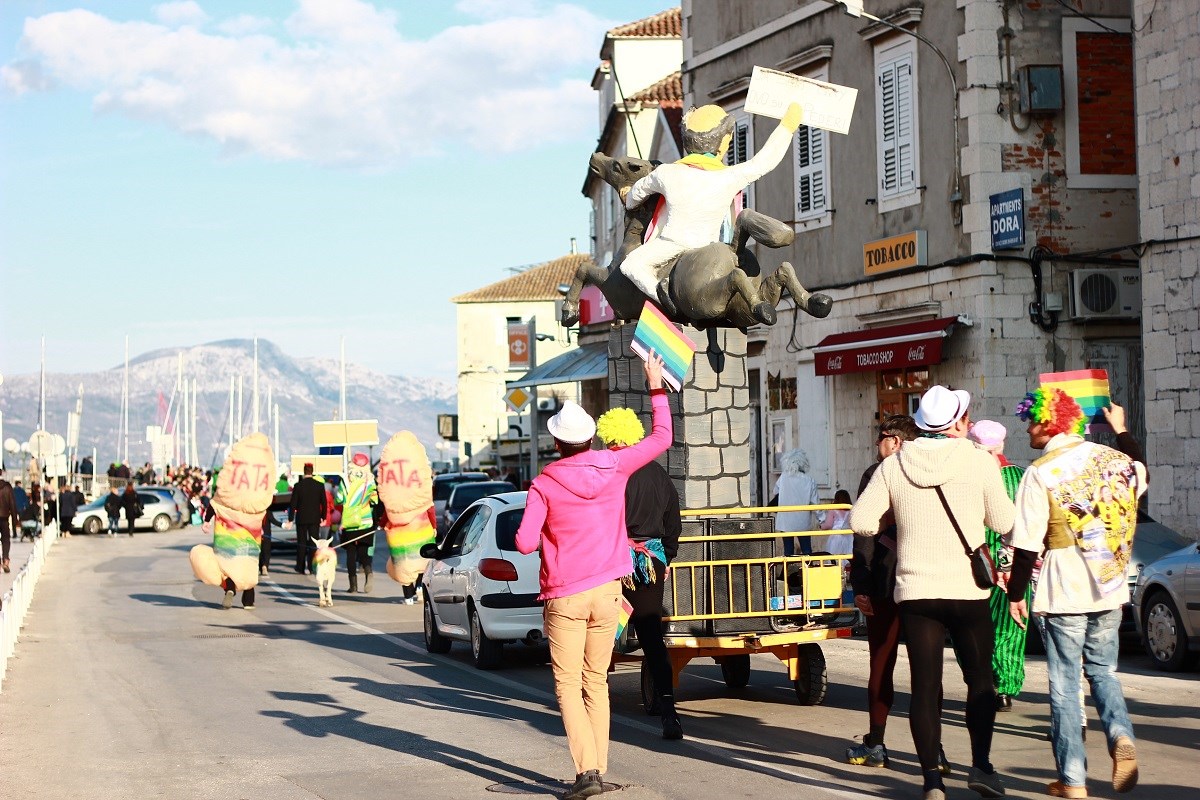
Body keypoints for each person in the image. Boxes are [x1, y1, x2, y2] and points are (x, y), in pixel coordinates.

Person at [515, 354, 670, 800]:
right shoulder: (615, 466)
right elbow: (663, 436)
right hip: (608, 591)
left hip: (565, 595)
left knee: (566, 684)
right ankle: (597, 768)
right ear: (589, 439)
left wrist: (547, 530)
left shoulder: (544, 484)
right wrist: (654, 385)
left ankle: (586, 773)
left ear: (557, 443)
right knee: (595, 680)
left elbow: (525, 543)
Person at [850, 385, 1015, 800]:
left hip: (917, 589)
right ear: (958, 421)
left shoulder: (896, 464)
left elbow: (862, 522)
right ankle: (981, 767)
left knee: (925, 686)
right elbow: (1002, 520)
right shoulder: (980, 461)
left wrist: (901, 516)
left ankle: (932, 782)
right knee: (979, 681)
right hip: (967, 588)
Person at [1007, 389, 1146, 799]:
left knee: (1066, 684)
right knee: (1104, 671)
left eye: (1031, 421)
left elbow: (1027, 544)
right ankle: (1121, 734)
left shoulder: (1040, 472)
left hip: (1064, 586)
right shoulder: (1115, 460)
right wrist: (1121, 430)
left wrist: (1017, 593)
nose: (1027, 428)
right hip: (1110, 584)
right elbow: (1140, 469)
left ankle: (1073, 781)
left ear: (1048, 422)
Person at [621, 103, 804, 317]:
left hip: (671, 243)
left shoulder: (666, 172)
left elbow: (636, 195)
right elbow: (764, 161)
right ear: (724, 141)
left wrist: (629, 198)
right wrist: (788, 126)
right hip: (710, 245)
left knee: (631, 265)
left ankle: (662, 296)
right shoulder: (729, 177)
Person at [844, 414, 929, 770]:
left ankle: (876, 744)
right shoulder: (932, 470)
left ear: (895, 441)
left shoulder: (879, 473)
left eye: (880, 437)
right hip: (927, 578)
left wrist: (859, 582)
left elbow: (864, 531)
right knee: (928, 667)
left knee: (882, 660)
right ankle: (933, 751)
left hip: (885, 576)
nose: (875, 444)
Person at [596, 405, 683, 741]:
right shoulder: (658, 473)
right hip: (651, 563)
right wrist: (667, 558)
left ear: (607, 435)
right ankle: (669, 713)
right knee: (652, 640)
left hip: (611, 562)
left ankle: (598, 710)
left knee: (602, 638)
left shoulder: (606, 469)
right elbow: (673, 521)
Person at [966, 420, 1028, 712]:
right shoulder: (1022, 477)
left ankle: (985, 680)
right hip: (1014, 563)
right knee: (1009, 627)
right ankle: (1005, 687)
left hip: (975, 562)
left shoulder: (969, 477)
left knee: (978, 624)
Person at [338, 453, 379, 594]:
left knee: (350, 553)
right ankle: (368, 573)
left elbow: (339, 498)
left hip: (349, 521)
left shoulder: (345, 480)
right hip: (366, 521)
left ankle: (353, 585)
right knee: (363, 552)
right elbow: (375, 501)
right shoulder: (370, 481)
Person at [774, 448, 823, 556]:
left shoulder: (783, 478)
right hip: (802, 521)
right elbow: (815, 503)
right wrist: (822, 520)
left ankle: (788, 571)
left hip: (786, 521)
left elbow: (775, 491)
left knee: (788, 551)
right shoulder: (809, 480)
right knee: (806, 550)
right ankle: (807, 570)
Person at [288, 463, 327, 575]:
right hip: (315, 518)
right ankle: (312, 566)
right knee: (313, 542)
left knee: (301, 542)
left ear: (304, 471)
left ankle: (300, 566)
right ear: (312, 471)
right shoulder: (319, 485)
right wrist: (323, 517)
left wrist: (290, 519)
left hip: (302, 518)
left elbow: (293, 504)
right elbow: (323, 503)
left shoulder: (298, 486)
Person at [0, 470, 18, 573]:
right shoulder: (7, 487)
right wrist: (15, 519)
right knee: (6, 539)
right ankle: (6, 560)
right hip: (5, 518)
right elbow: (12, 503)